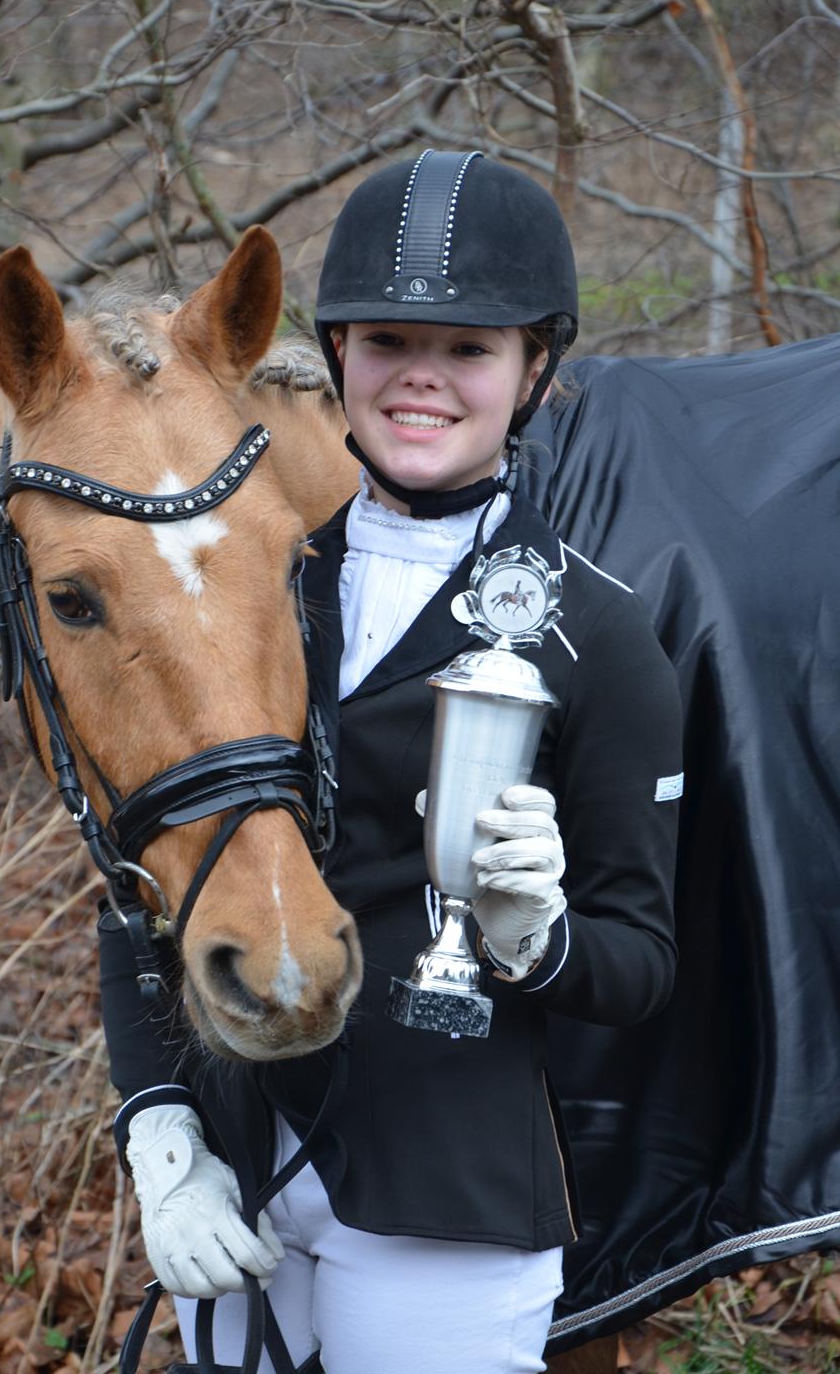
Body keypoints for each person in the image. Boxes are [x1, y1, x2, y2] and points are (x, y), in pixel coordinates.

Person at [99, 150, 684, 1374]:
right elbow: (145, 878)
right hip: (242, 1166)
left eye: (469, 349)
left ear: (534, 371)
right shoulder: (251, 583)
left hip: (447, 1196)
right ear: (338, 356)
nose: (422, 376)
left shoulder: (599, 630)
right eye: (386, 340)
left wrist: (537, 933)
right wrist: (160, 1132)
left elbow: (639, 965)